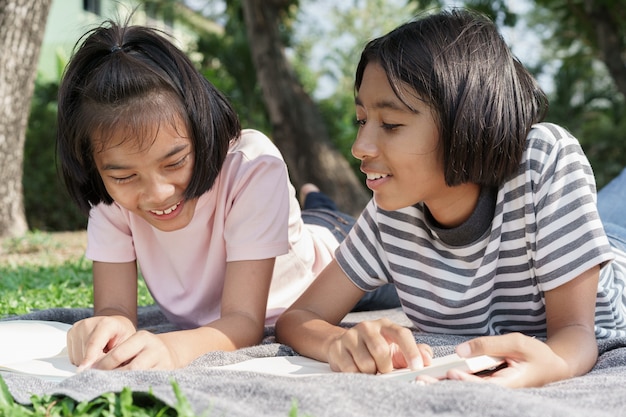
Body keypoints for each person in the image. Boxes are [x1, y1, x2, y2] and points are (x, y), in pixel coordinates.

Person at [275, 9, 626, 388]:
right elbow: (298, 318)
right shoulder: (392, 211)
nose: (359, 147)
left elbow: (575, 333)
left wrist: (555, 364)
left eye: (391, 124)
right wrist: (338, 342)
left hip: (605, 245)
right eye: (362, 120)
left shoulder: (545, 157)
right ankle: (321, 203)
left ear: (466, 122)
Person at [56, 19, 398, 371]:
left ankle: (318, 200)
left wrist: (171, 351)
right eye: (126, 176)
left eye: (175, 163)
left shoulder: (251, 165)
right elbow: (116, 310)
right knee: (312, 211)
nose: (157, 193)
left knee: (369, 249)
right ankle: (314, 198)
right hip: (277, 225)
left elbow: (244, 322)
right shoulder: (109, 192)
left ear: (203, 129)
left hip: (332, 257)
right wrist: (111, 325)